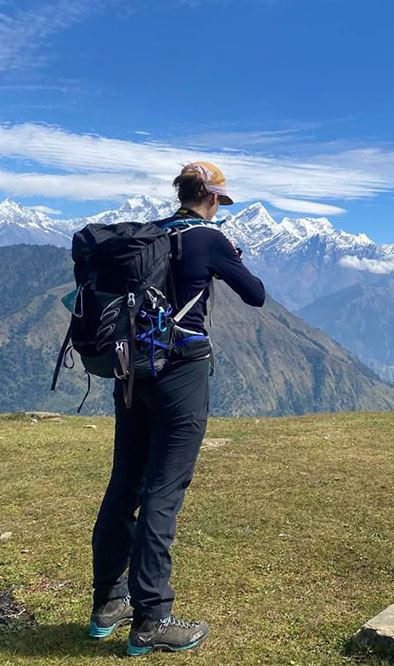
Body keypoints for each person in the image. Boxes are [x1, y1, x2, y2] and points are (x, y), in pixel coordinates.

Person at [88, 162, 266, 655]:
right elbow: (256, 295)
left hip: (132, 371)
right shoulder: (208, 239)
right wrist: (230, 257)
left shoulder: (152, 235)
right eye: (220, 200)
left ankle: (108, 603)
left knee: (125, 482)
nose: (219, 207)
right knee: (164, 489)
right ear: (211, 198)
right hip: (181, 371)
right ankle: (152, 619)